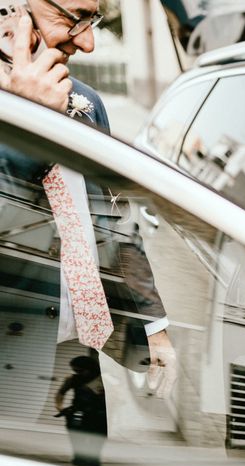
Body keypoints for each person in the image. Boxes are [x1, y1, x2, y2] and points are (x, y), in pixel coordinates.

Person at [0, 1, 175, 394]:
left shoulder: (85, 101)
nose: (89, 41)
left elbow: (113, 220)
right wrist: (31, 133)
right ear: (11, 8)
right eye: (75, 17)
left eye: (92, 20)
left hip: (80, 358)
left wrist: (153, 326)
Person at [55, 356, 107, 466]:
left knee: (98, 439)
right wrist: (60, 407)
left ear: (90, 368)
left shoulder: (104, 379)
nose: (77, 372)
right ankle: (79, 458)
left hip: (100, 414)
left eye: (80, 370)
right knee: (77, 438)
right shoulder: (73, 379)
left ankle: (94, 459)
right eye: (75, 370)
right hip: (79, 412)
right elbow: (60, 393)